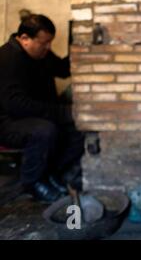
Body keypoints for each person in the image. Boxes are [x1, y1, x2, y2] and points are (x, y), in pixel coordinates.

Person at [0, 14, 84, 204]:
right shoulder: (7, 59)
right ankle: (32, 183)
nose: (48, 48)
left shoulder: (41, 54)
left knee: (79, 127)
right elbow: (16, 106)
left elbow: (63, 69)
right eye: (44, 43)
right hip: (8, 122)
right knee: (45, 130)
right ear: (24, 39)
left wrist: (82, 48)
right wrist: (63, 112)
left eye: (50, 43)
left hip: (36, 115)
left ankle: (51, 173)